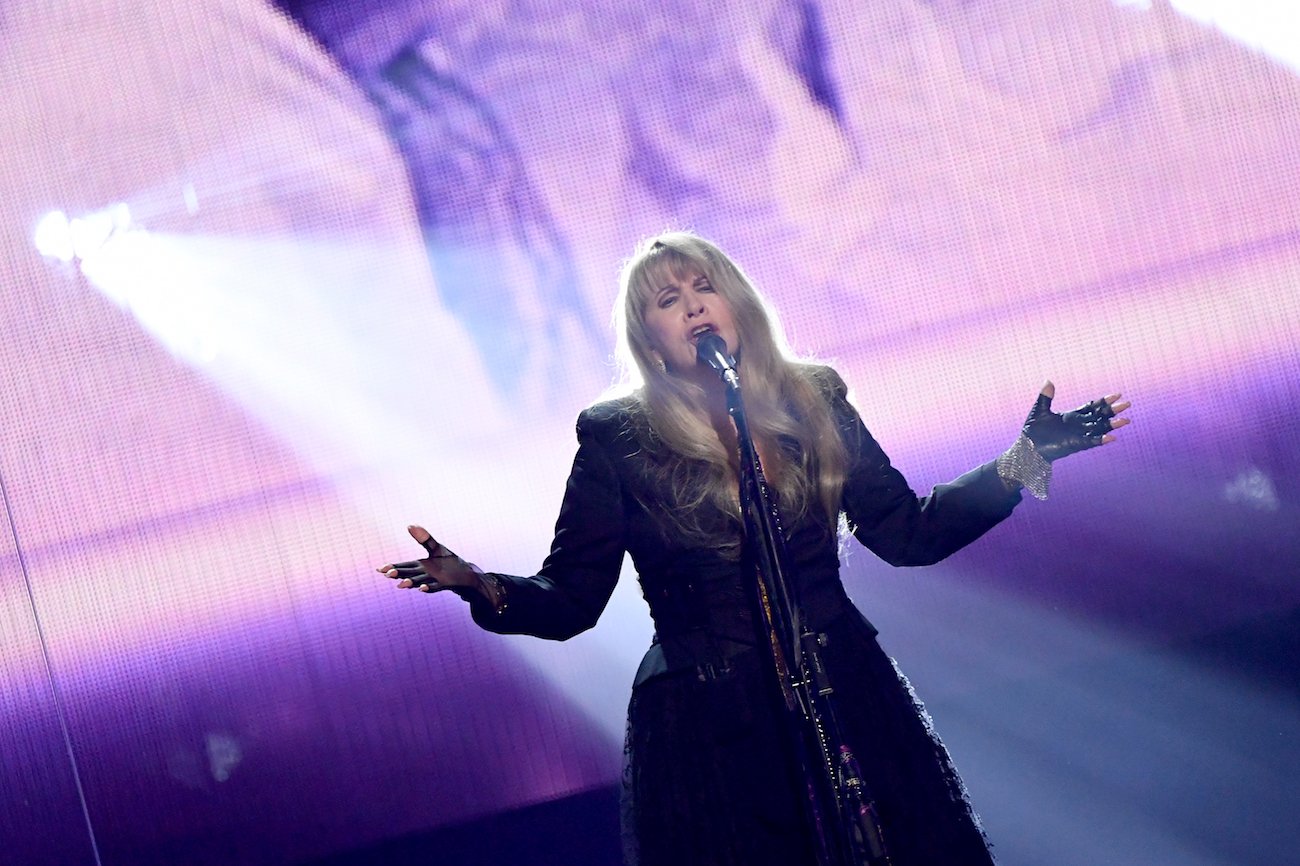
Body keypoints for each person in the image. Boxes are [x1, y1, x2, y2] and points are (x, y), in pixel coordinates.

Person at [377, 231, 1131, 865]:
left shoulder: (814, 400)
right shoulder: (618, 439)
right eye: (667, 301)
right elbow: (573, 597)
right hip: (710, 728)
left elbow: (908, 533)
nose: (693, 305)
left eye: (703, 286)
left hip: (845, 697)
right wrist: (483, 585)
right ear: (652, 341)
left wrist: (1025, 461)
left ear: (737, 303)